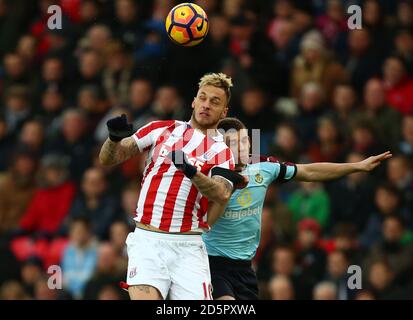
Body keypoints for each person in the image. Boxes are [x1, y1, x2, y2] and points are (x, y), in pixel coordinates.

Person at [203, 117, 392, 300]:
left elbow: (309, 171)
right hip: (212, 261)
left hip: (245, 266)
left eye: (244, 141)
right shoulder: (207, 174)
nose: (241, 147)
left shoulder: (264, 166)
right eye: (232, 143)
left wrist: (357, 166)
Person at [99, 73, 245, 300]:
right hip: (147, 239)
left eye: (215, 102)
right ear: (194, 101)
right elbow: (109, 158)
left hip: (188, 246)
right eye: (203, 98)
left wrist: (192, 172)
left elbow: (222, 192)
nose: (206, 105)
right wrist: (113, 139)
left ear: (224, 112)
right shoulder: (160, 129)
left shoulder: (222, 152)